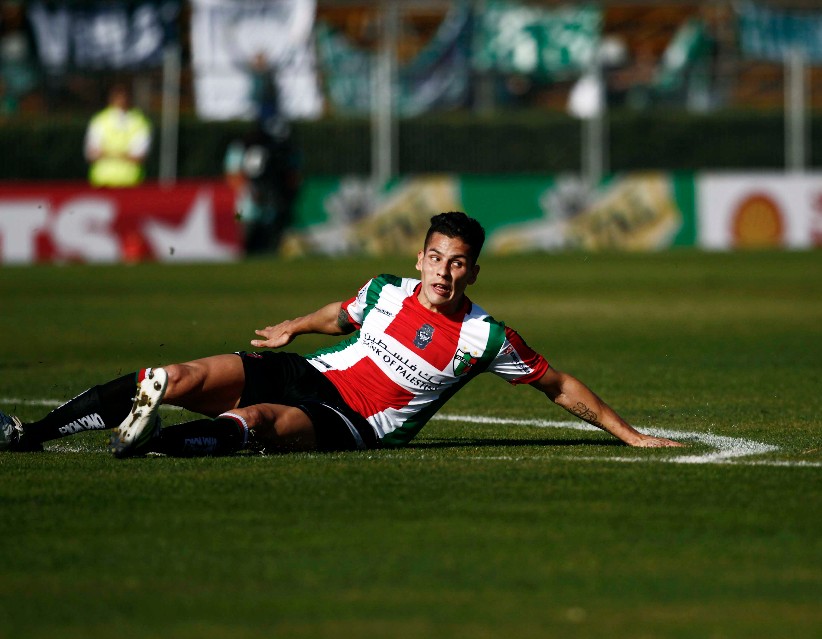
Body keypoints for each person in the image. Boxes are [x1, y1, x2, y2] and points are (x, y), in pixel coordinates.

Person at [0, 212, 681, 457]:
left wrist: (630, 433)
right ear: (421, 258)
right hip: (314, 372)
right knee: (176, 377)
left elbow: (557, 384)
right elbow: (341, 314)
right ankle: (28, 435)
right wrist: (296, 325)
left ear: (474, 269)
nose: (445, 272)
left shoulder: (484, 336)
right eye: (436, 257)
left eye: (459, 262)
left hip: (356, 420)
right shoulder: (386, 289)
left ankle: (151, 444)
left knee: (257, 420)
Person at [224, 114, 301, 255]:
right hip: (244, 206)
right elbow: (233, 177)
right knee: (243, 235)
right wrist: (251, 190)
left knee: (268, 241)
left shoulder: (272, 148)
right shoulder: (240, 147)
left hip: (268, 204)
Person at [83, 83, 152, 187]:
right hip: (102, 181)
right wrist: (124, 154)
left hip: (130, 181)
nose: (121, 101)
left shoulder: (139, 121)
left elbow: (139, 156)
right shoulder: (100, 120)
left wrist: (107, 152)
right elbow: (91, 154)